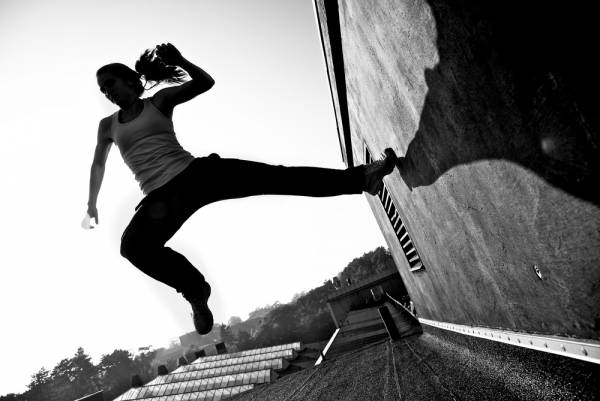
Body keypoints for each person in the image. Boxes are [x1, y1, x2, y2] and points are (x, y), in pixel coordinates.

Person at [86, 43, 398, 335]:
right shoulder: (108, 126)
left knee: (278, 177)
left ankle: (362, 178)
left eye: (110, 84)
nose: (107, 92)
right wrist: (91, 203)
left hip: (196, 174)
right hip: (161, 198)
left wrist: (180, 61)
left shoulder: (159, 101)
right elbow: (98, 164)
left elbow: (204, 83)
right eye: (102, 90)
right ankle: (196, 291)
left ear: (128, 80)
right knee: (133, 247)